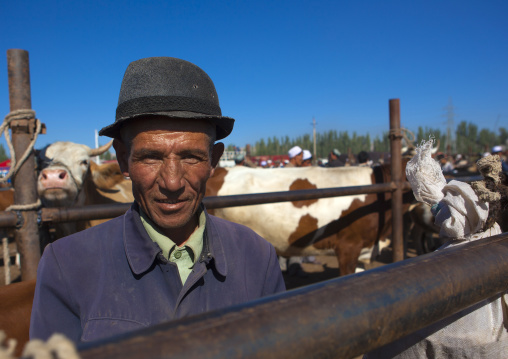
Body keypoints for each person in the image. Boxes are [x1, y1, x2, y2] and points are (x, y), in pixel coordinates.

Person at [30, 57, 285, 343]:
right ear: (124, 160)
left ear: (213, 161)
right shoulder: (66, 266)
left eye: (191, 157)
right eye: (150, 157)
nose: (172, 182)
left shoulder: (258, 257)